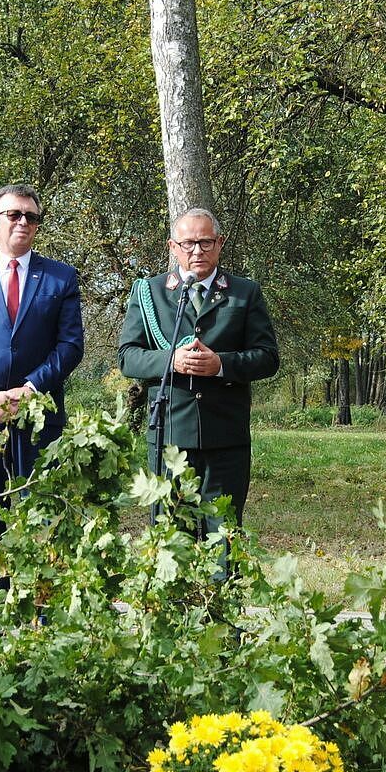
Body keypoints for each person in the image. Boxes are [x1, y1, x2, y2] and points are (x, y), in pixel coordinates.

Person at [0, 184, 84, 565]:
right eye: (14, 214)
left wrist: (30, 389)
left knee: (45, 519)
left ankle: (41, 597)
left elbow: (71, 346)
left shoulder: (60, 278)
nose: (23, 221)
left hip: (39, 417)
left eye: (31, 217)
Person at [118, 207, 279, 535]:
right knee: (172, 537)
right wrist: (170, 361)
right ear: (172, 247)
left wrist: (221, 365)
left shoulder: (244, 293)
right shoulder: (151, 292)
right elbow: (128, 357)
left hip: (226, 437)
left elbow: (267, 358)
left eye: (206, 242)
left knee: (225, 538)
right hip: (170, 435)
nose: (197, 251)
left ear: (220, 243)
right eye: (188, 243)